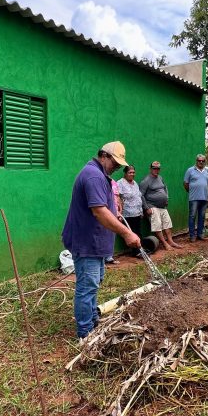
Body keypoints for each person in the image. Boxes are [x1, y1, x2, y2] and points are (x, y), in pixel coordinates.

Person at [62, 142, 140, 339]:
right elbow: (99, 211)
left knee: (94, 283)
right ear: (103, 155)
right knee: (87, 287)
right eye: (114, 162)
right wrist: (126, 233)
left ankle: (92, 322)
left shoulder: (101, 175)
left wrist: (115, 213)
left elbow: (104, 207)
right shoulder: (93, 175)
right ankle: (85, 333)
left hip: (95, 243)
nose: (116, 167)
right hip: (86, 242)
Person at [139, 161, 182, 250]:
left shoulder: (160, 178)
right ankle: (165, 244)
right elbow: (141, 195)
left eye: (158, 168)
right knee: (157, 226)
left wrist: (166, 198)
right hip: (152, 207)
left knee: (167, 224)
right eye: (154, 168)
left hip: (163, 207)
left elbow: (164, 187)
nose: (156, 170)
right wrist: (146, 208)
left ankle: (171, 241)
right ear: (151, 169)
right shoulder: (146, 180)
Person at [184, 153, 208, 241]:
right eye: (199, 161)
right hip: (194, 198)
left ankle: (200, 234)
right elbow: (185, 183)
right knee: (192, 216)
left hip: (204, 198)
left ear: (205, 162)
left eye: (203, 161)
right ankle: (192, 236)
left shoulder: (207, 171)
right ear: (196, 161)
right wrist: (191, 191)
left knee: (202, 216)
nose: (201, 162)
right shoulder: (190, 170)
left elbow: (207, 183)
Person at [117, 165, 143, 255]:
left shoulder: (135, 183)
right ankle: (135, 252)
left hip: (137, 212)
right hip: (127, 214)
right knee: (131, 232)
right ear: (125, 173)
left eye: (133, 172)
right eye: (130, 172)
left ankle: (140, 250)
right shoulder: (120, 183)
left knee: (138, 232)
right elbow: (118, 198)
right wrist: (120, 213)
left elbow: (138, 197)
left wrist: (141, 211)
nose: (132, 174)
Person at [105, 180, 122, 264]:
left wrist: (120, 209)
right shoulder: (101, 181)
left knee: (112, 234)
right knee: (103, 234)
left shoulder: (114, 183)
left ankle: (109, 256)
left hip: (115, 212)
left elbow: (117, 197)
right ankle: (102, 258)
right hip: (106, 213)